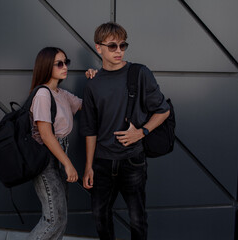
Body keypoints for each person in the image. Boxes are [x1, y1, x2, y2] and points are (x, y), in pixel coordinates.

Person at [81, 22, 170, 240]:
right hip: (101, 162)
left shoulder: (139, 73)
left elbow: (163, 110)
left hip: (132, 160)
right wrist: (89, 166)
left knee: (137, 218)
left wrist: (142, 132)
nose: (119, 51)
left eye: (123, 45)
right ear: (98, 48)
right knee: (100, 216)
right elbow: (90, 129)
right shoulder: (93, 83)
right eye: (112, 46)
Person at [28, 47, 82, 240]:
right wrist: (68, 163)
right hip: (46, 160)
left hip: (57, 157)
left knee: (60, 217)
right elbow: (46, 134)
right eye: (59, 63)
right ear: (46, 66)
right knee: (54, 219)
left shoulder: (60, 93)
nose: (64, 66)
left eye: (66, 62)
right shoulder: (43, 94)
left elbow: (86, 104)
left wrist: (96, 77)